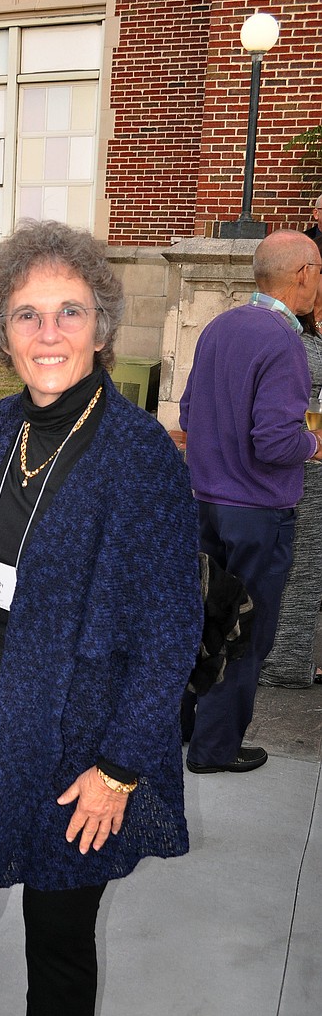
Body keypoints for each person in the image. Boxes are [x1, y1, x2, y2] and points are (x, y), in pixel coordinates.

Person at [0, 220, 202, 1016]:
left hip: (82, 744)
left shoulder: (140, 453)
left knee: (62, 929)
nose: (48, 329)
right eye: (28, 313)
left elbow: (171, 629)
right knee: (31, 897)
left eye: (69, 310)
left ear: (101, 324)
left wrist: (119, 767)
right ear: (3, 330)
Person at [180, 230, 322, 773]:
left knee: (206, 620)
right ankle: (216, 749)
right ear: (303, 273)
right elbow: (276, 441)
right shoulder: (283, 340)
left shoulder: (221, 325)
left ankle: (188, 729)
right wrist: (315, 442)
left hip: (205, 503)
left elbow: (190, 414)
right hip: (258, 514)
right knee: (246, 632)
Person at [260, 243, 322, 687]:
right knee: (300, 566)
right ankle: (284, 663)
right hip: (302, 459)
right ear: (303, 275)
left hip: (299, 456)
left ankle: (282, 659)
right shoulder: (290, 336)